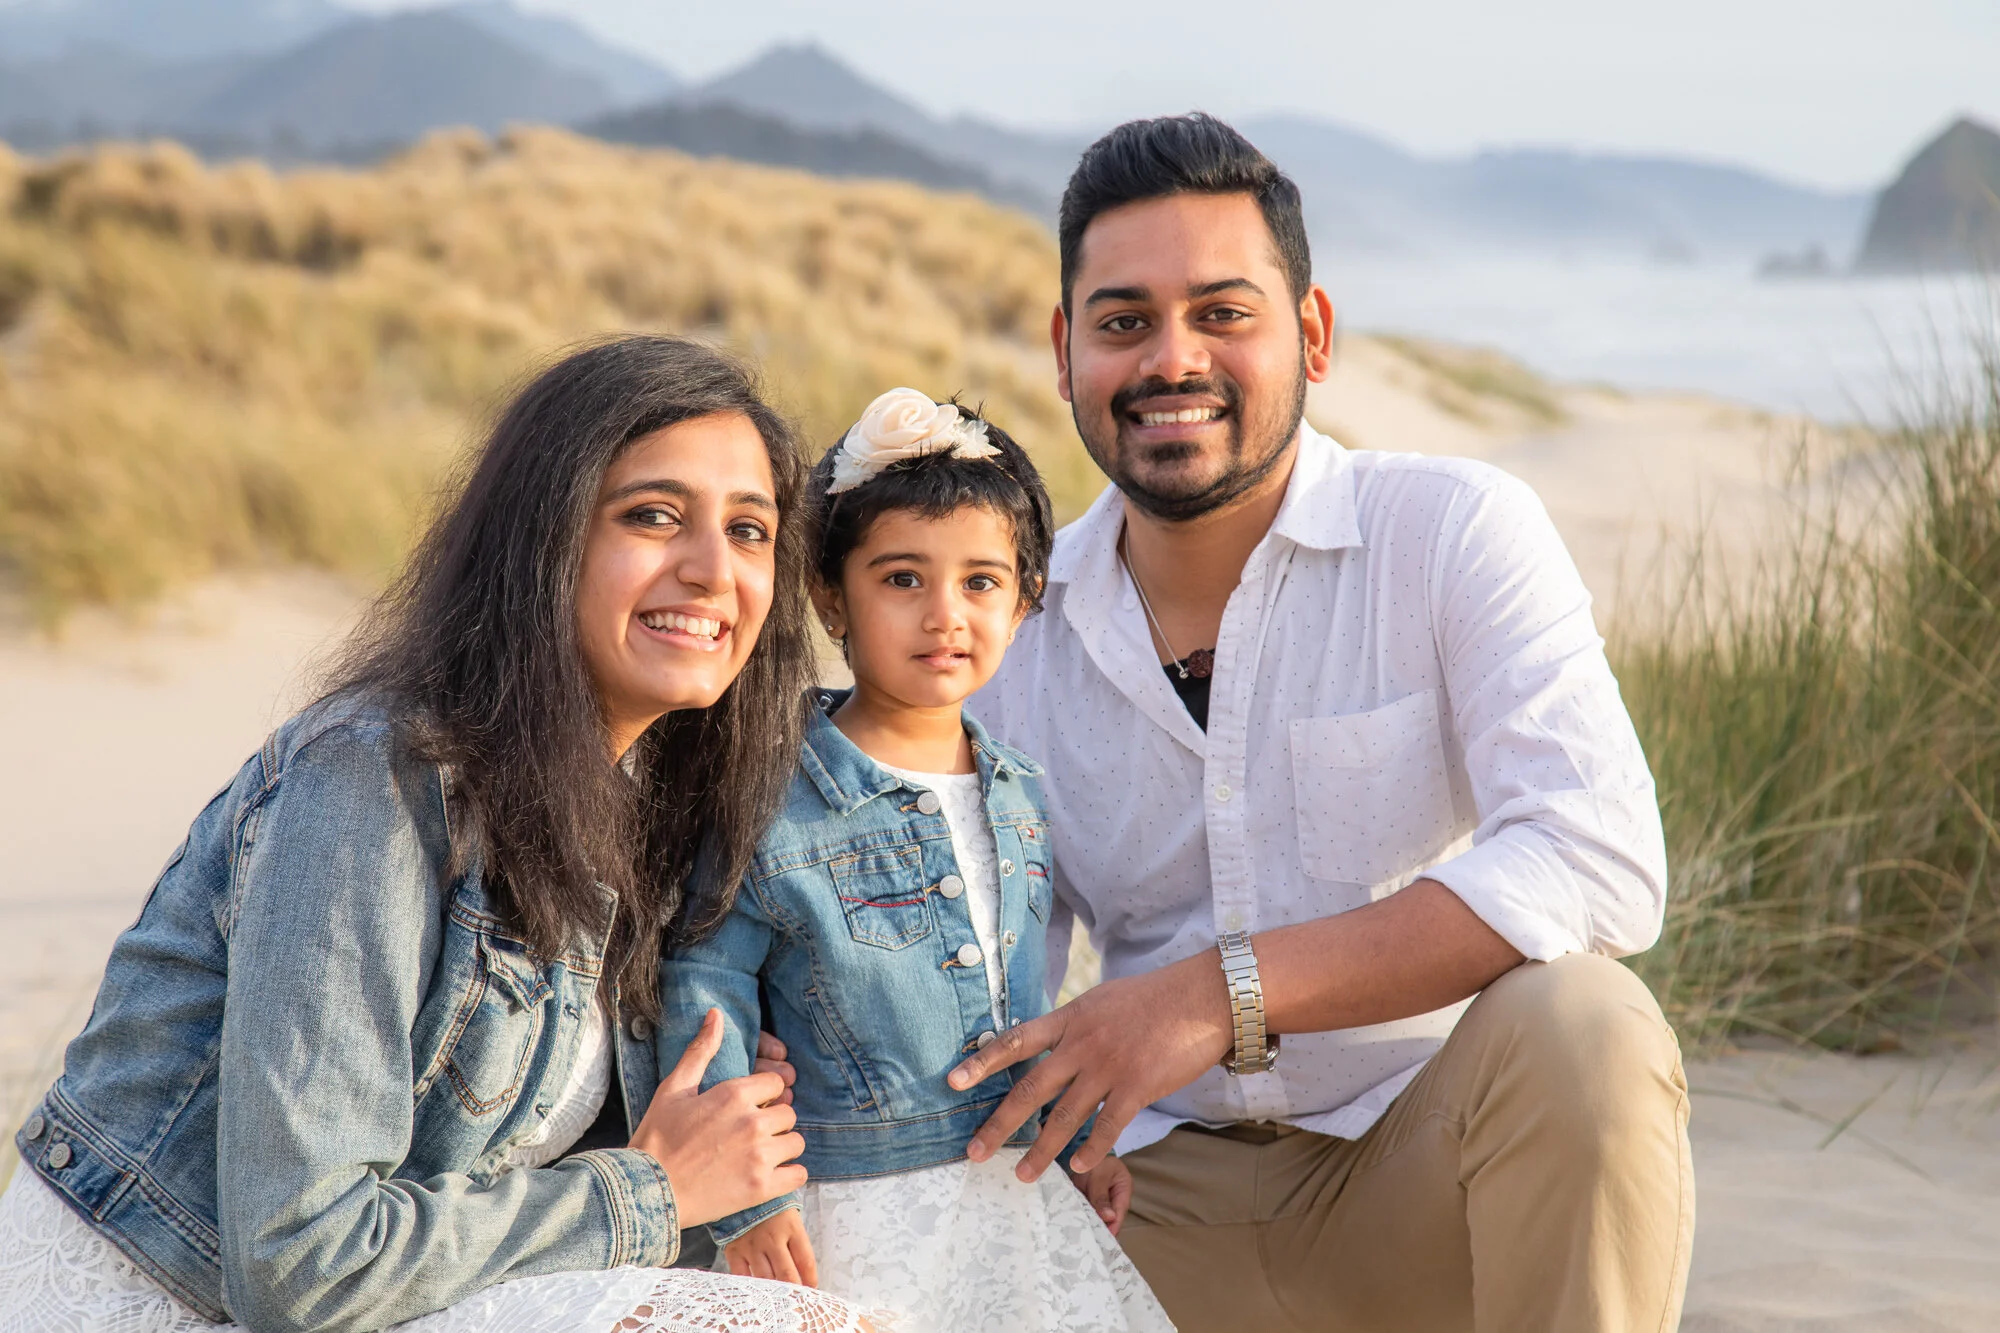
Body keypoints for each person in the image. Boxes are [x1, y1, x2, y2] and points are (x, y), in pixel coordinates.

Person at [948, 115, 1694, 1332]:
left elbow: (1596, 853)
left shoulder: (1449, 532)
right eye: (1123, 319)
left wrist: (1215, 995)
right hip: (1141, 1206)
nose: (1169, 359)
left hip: (1418, 1174)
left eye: (1222, 313)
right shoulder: (1004, 630)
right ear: (1064, 348)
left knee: (1586, 1026)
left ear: (1312, 335)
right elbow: (974, 969)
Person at [0, 336, 877, 1333]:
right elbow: (304, 1265)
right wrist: (653, 1191)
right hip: (166, 1304)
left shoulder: (646, 811)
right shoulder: (372, 780)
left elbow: (531, 1175)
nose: (713, 570)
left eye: (751, 529)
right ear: (541, 539)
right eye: (652, 516)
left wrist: (728, 1105)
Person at [655, 388, 1173, 1333]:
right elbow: (704, 984)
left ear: (1024, 604)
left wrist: (1079, 1140)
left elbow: (1024, 1005)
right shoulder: (773, 793)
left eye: (981, 582)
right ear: (827, 594)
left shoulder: (1018, 792)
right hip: (847, 1206)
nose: (945, 615)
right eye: (902, 578)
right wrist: (747, 1198)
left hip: (1011, 1192)